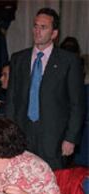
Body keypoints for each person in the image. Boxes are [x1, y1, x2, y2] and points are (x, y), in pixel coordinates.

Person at [6, 8, 85, 170]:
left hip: (54, 138)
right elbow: (12, 99)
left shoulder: (68, 61)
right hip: (22, 136)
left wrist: (70, 138)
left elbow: (77, 104)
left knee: (51, 186)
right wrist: (9, 133)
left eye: (43, 27)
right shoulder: (18, 59)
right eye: (35, 26)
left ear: (54, 33)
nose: (37, 31)